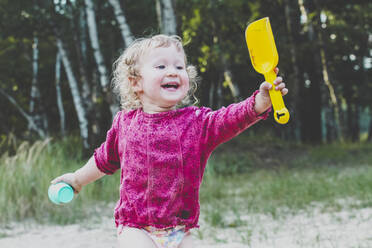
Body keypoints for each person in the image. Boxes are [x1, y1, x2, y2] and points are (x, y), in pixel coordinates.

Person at [51, 34, 288, 248]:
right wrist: (77, 179)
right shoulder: (125, 123)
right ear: (136, 82)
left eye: (179, 66)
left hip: (180, 229)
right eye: (161, 66)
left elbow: (231, 119)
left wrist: (261, 102)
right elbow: (104, 159)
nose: (173, 71)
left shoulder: (197, 123)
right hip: (136, 226)